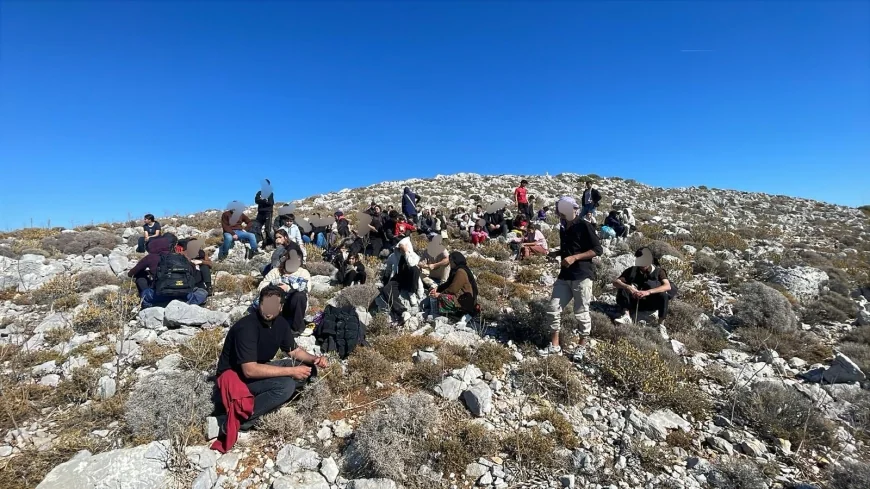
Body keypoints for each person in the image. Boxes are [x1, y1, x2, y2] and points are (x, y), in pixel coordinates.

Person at [213, 285, 328, 437]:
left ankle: (267, 400)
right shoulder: (247, 327)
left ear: (280, 307)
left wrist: (315, 359)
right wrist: (291, 371)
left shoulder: (280, 323)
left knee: (308, 368)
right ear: (259, 304)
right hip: (235, 377)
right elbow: (249, 371)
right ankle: (243, 419)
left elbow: (293, 351)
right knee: (286, 385)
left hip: (259, 367)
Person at [542, 196, 603, 357]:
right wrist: (557, 253)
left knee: (581, 312)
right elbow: (570, 248)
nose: (559, 213)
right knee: (553, 309)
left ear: (574, 209)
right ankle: (555, 345)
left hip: (582, 275)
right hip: (565, 275)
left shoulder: (585, 225)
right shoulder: (563, 227)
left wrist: (575, 257)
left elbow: (598, 250)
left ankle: (581, 346)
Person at [613, 248, 672, 326]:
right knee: (623, 287)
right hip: (634, 301)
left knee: (664, 295)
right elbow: (616, 282)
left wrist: (648, 292)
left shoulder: (659, 272)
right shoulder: (632, 270)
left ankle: (661, 325)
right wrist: (629, 287)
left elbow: (667, 286)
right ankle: (626, 316)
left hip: (651, 302)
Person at [258, 252, 311, 335]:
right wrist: (274, 288)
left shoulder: (303, 273)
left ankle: (297, 328)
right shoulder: (275, 272)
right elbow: (262, 286)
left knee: (300, 295)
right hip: (276, 303)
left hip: (292, 305)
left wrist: (288, 288)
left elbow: (306, 288)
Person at [379, 237, 423, 325]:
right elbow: (388, 270)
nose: (400, 250)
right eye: (399, 248)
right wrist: (385, 281)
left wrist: (406, 252)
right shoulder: (393, 256)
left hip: (410, 280)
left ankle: (411, 293)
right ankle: (402, 311)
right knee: (387, 290)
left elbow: (412, 264)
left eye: (401, 248)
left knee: (414, 269)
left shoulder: (414, 256)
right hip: (398, 278)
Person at [430, 252, 478, 317]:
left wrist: (439, 294)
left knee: (441, 297)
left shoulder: (461, 272)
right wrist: (437, 288)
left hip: (464, 301)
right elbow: (448, 283)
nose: (450, 263)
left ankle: (456, 313)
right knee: (437, 295)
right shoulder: (456, 270)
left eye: (451, 260)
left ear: (454, 261)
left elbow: (453, 289)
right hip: (463, 298)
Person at [254, 181, 275, 248]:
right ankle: (260, 242)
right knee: (257, 227)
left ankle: (271, 243)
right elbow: (256, 200)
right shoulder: (259, 193)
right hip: (260, 213)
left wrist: (262, 201)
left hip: (268, 213)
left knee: (267, 229)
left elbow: (271, 203)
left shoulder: (270, 193)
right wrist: (264, 201)